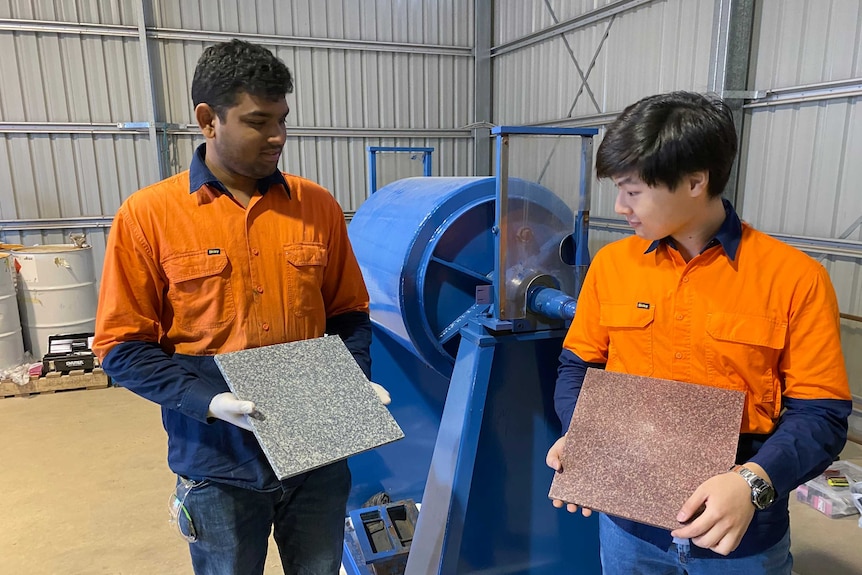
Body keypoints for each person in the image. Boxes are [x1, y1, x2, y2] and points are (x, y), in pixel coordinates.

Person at [93, 39, 388, 575]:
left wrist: (352, 381)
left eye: (282, 119)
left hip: (317, 451)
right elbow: (121, 348)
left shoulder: (315, 206)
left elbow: (348, 315)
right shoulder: (148, 217)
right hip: (217, 461)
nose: (277, 136)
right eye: (258, 122)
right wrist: (210, 401)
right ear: (208, 120)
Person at [545, 91, 852, 574]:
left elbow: (822, 413)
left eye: (633, 190)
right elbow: (577, 365)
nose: (620, 206)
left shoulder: (794, 278)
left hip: (741, 533)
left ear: (694, 181)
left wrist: (753, 483)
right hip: (627, 524)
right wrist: (579, 435)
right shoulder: (613, 266)